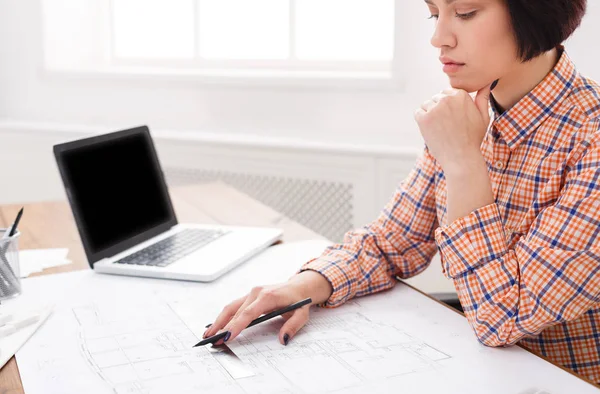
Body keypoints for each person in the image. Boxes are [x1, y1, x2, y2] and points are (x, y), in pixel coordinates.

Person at [203, 0, 600, 384]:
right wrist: (304, 286)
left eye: (464, 13)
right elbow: (390, 243)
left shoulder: (590, 137)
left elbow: (505, 317)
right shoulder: (464, 115)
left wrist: (464, 163)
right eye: (433, 13)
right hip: (485, 371)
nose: (438, 38)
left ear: (535, 10)